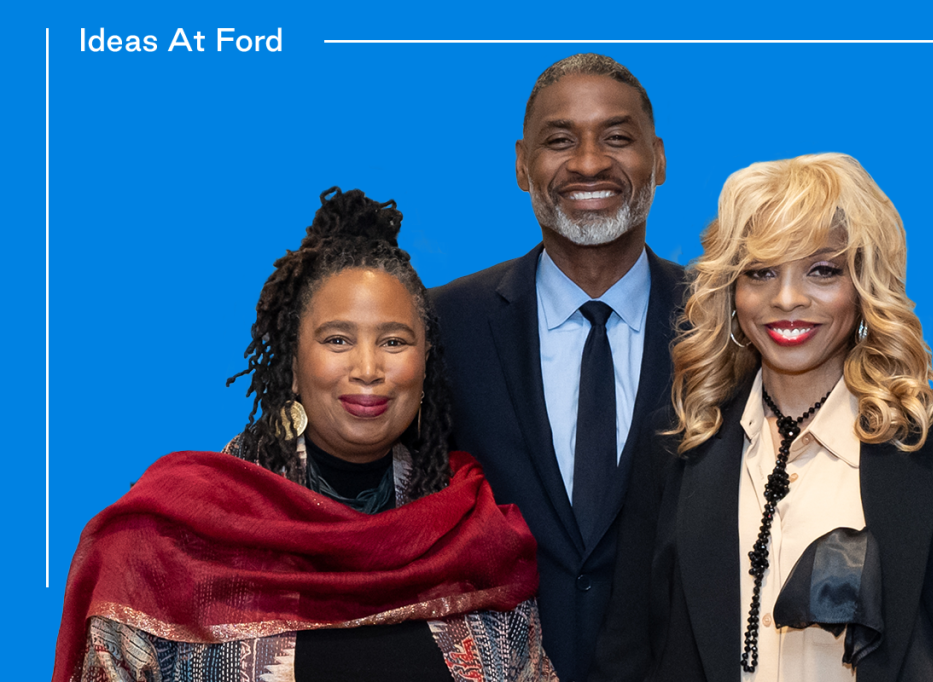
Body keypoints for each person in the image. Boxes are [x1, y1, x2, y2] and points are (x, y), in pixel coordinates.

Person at [53, 188, 557, 682]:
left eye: (394, 341)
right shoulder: (168, 539)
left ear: (425, 365)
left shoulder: (474, 535)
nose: (367, 367)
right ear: (293, 365)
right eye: (337, 339)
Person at [591, 153, 933, 682]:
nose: (787, 298)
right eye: (760, 272)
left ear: (864, 285)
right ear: (731, 292)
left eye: (822, 270)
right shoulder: (679, 443)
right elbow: (630, 651)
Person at [431, 54, 687, 682]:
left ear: (658, 158)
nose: (591, 162)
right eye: (560, 141)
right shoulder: (443, 324)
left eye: (618, 138)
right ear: (522, 164)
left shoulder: (725, 323)